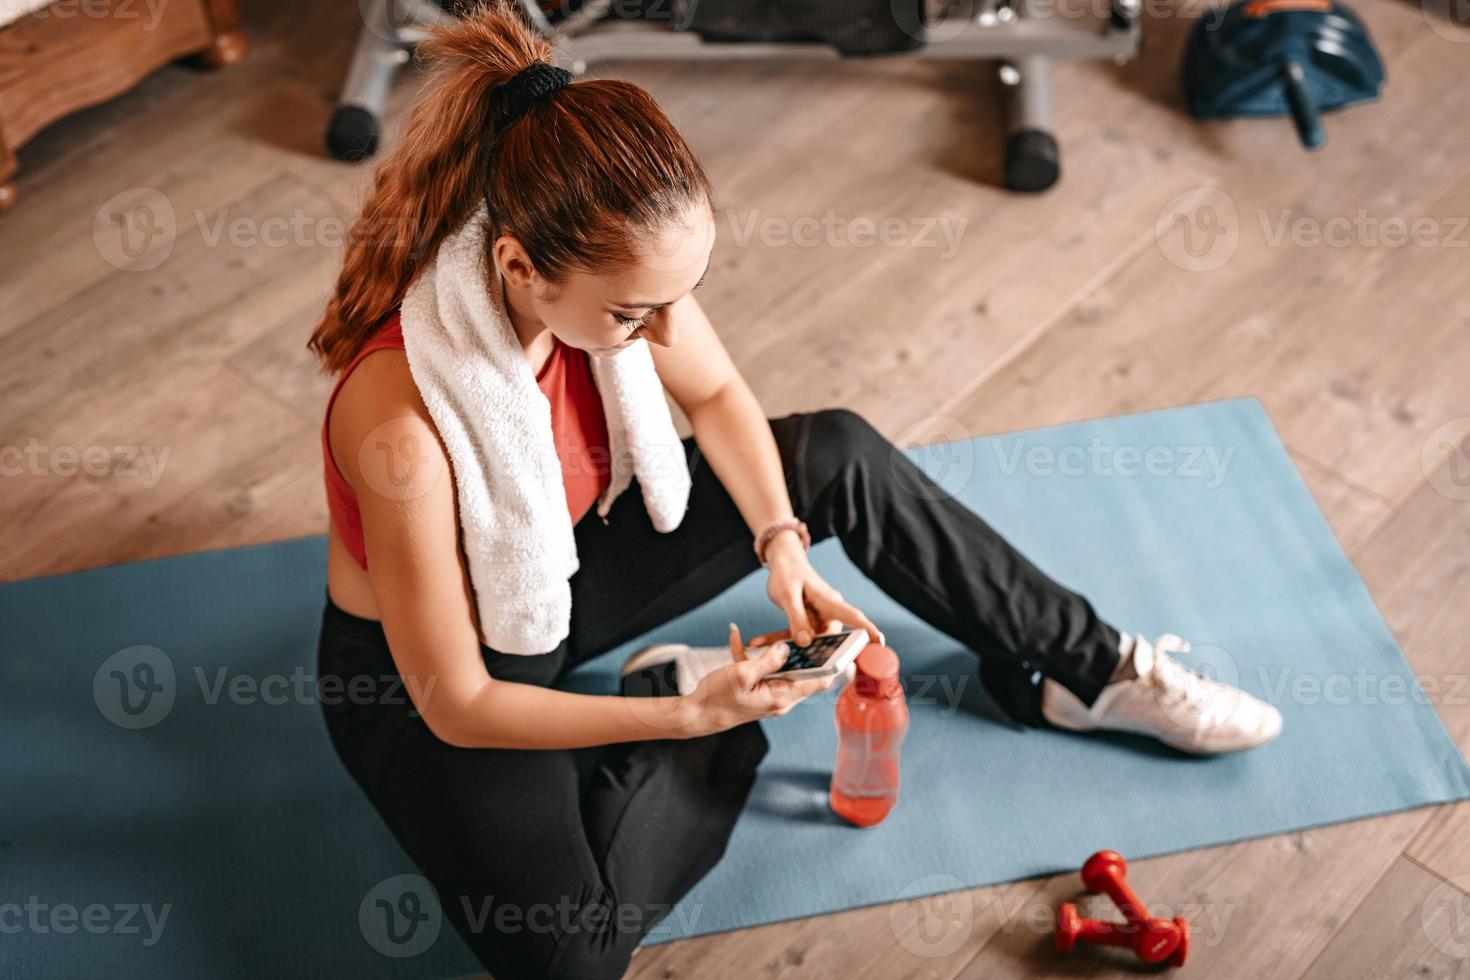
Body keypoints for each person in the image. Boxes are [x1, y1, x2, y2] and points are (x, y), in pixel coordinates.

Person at [308, 4, 1282, 977]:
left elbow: (721, 392)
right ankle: (669, 693)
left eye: (671, 302)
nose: (660, 336)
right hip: (426, 684)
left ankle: (1087, 667)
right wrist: (685, 719)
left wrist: (779, 537)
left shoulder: (609, 275)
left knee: (837, 454)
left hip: (556, 573)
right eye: (632, 312)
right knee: (569, 958)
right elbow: (461, 701)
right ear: (519, 266)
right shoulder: (403, 424)